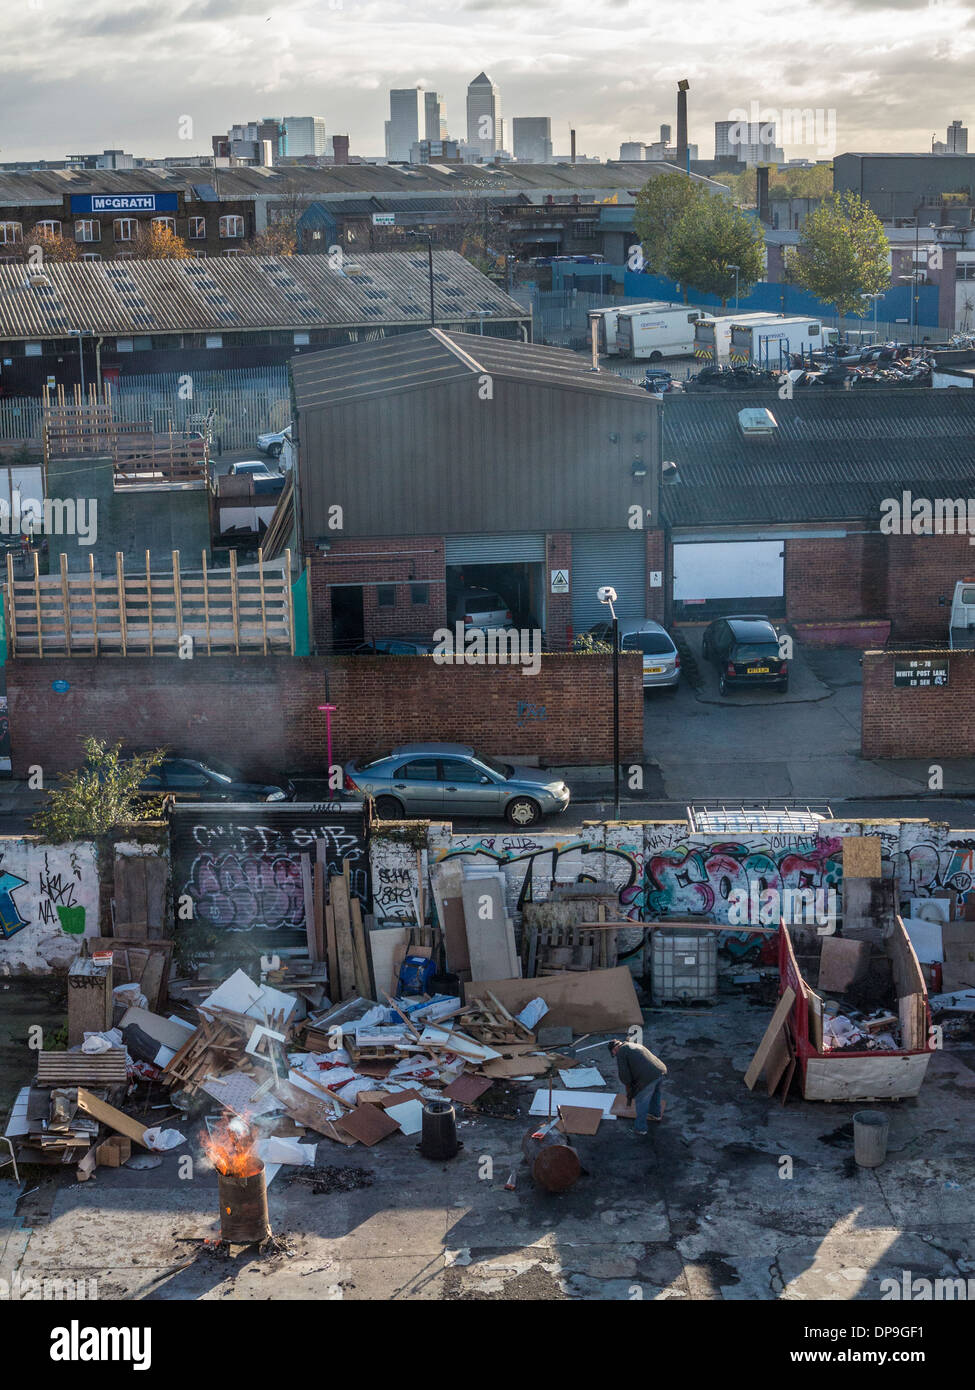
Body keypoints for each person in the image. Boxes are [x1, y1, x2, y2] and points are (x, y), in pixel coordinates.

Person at [609, 1037, 667, 1136]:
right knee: (655, 1094)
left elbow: (624, 1074)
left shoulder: (621, 1052)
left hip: (649, 1077)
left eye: (613, 1054)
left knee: (641, 1101)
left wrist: (629, 1086)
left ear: (614, 1049)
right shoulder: (633, 1045)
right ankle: (655, 1114)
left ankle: (640, 1128)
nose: (615, 1055)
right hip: (660, 1070)